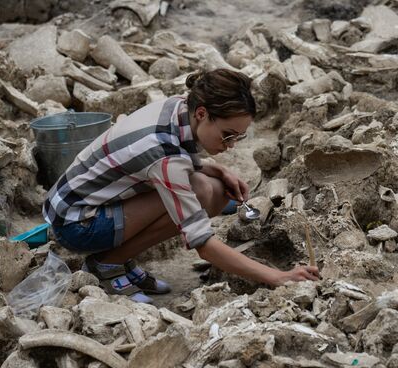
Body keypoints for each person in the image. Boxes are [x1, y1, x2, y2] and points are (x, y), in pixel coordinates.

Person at [43, 68, 319, 303]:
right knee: (200, 193)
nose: (231, 145)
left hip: (80, 202)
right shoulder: (164, 156)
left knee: (211, 188)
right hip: (77, 224)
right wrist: (278, 277)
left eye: (239, 137)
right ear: (202, 113)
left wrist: (218, 169)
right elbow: (201, 243)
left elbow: (175, 153)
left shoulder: (178, 105)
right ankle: (107, 262)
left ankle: (117, 257)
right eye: (227, 135)